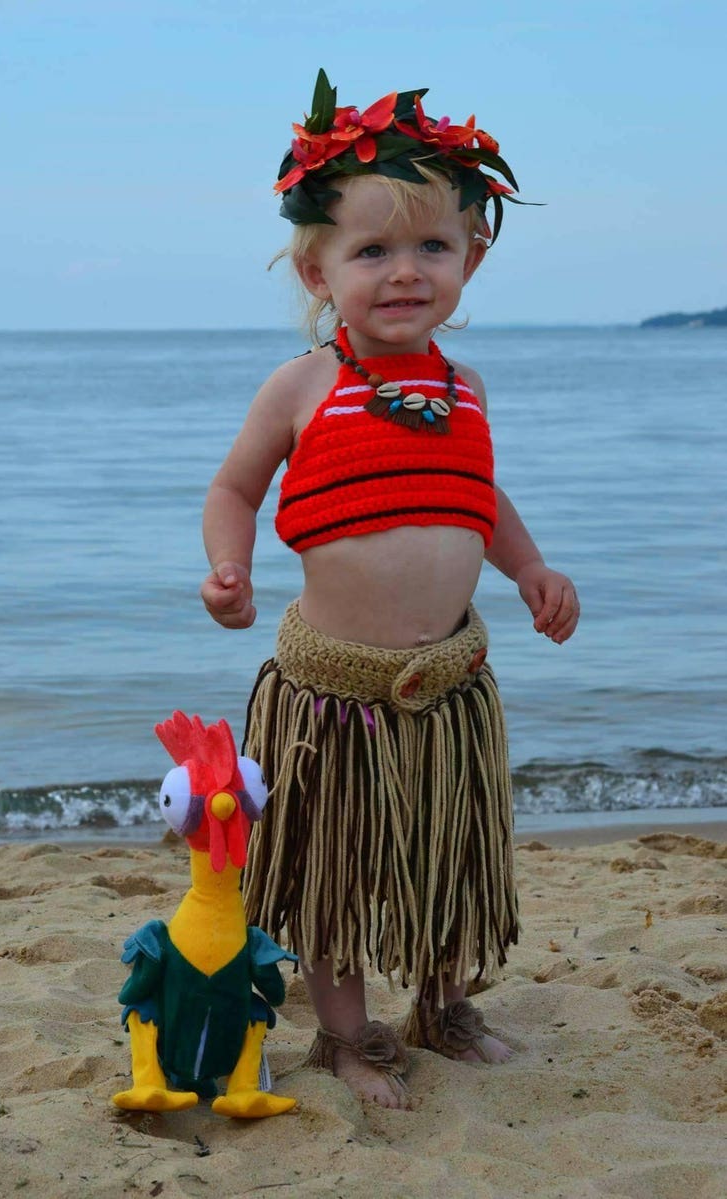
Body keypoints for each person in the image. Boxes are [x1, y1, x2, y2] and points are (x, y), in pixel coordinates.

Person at [200, 70, 579, 1109]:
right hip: (329, 688)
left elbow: (477, 498)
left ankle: (443, 1004)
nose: (402, 272)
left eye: (430, 247)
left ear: (472, 257)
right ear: (315, 266)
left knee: (448, 856)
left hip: (448, 681)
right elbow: (234, 486)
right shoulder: (302, 385)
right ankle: (347, 1031)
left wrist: (530, 567)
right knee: (331, 869)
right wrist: (225, 567)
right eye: (370, 250)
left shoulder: (465, 387)